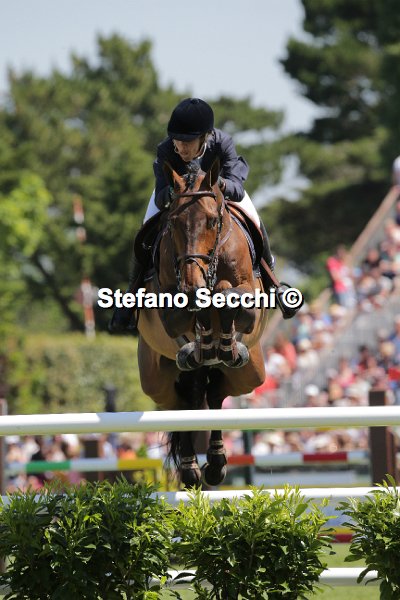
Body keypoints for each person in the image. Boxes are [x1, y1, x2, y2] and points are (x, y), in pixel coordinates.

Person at [110, 98, 299, 332]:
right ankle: (131, 296)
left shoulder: (222, 144)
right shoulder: (166, 149)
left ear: (204, 137)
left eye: (187, 142)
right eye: (177, 140)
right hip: (179, 200)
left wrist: (218, 184)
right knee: (146, 227)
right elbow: (160, 195)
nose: (181, 148)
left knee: (253, 218)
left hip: (219, 196)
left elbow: (237, 190)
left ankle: (273, 283)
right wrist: (174, 191)